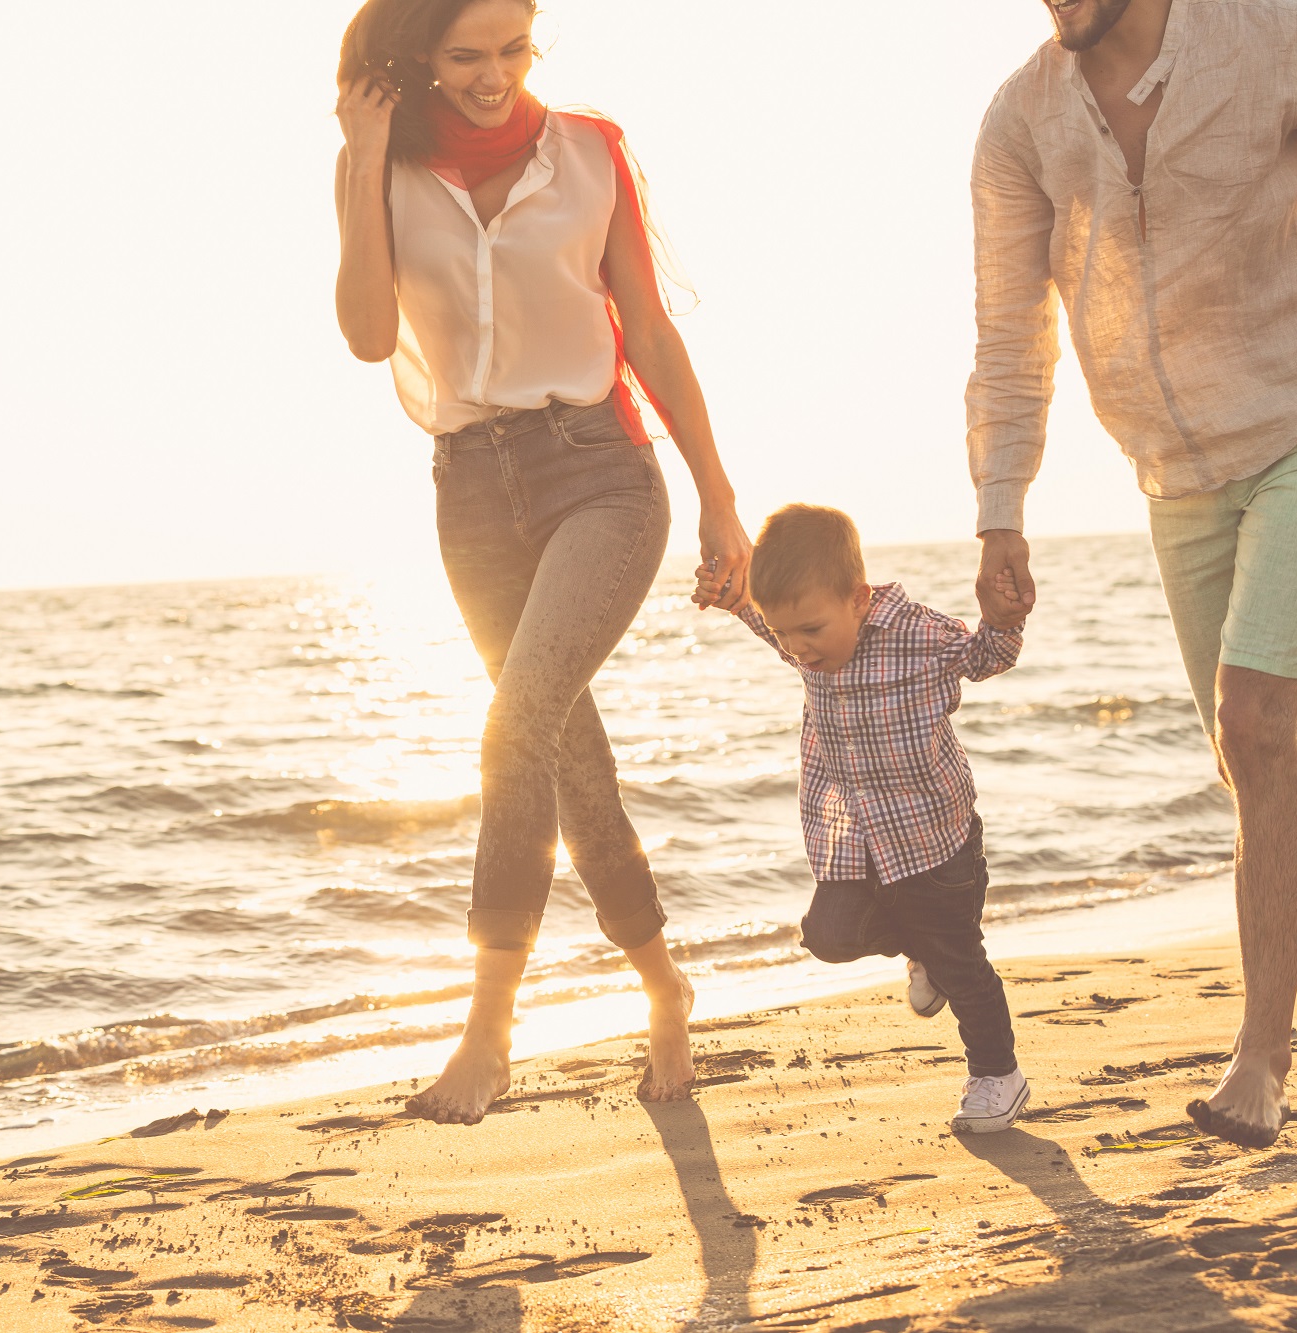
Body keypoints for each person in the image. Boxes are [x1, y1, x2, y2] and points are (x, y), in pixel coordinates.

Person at [969, 0, 1297, 1147]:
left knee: (1254, 722)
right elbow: (1010, 331)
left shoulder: (1286, 38)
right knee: (1248, 752)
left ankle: (1259, 1060)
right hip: (1172, 471)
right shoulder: (1021, 121)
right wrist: (998, 508)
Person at [333, 0, 753, 1124]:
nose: (492, 76)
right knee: (570, 767)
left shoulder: (586, 153)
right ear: (418, 56)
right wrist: (365, 156)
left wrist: (718, 498)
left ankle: (485, 1035)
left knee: (513, 728)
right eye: (466, 55)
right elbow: (371, 336)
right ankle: (665, 988)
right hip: (468, 493)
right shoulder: (377, 165)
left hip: (599, 475)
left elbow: (651, 334)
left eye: (513, 50)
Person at [696, 505, 1032, 1133]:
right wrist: (732, 599)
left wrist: (1003, 618)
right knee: (829, 936)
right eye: (784, 633)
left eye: (811, 631)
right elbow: (771, 624)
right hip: (856, 842)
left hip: (936, 840)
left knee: (961, 962)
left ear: (857, 598)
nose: (797, 649)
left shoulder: (918, 633)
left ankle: (997, 1075)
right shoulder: (802, 636)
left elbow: (987, 656)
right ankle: (919, 949)